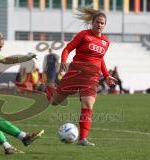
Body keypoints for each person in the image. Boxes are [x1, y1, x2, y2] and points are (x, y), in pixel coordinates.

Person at [45, 8, 117, 146]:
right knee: (54, 102)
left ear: (105, 25)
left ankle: (82, 139)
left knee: (88, 104)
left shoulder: (106, 42)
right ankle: (49, 88)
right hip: (75, 73)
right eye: (97, 22)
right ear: (92, 22)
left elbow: (100, 59)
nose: (99, 25)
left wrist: (107, 75)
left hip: (91, 78)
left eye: (102, 23)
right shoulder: (84, 35)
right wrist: (64, 61)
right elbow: (68, 48)